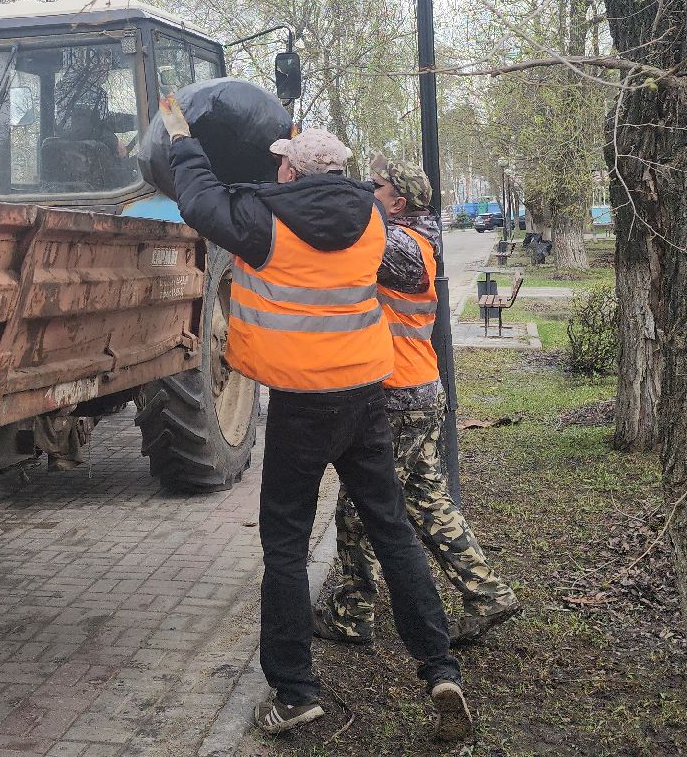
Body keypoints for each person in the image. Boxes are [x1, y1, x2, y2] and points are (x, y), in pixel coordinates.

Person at [155, 98, 472, 742]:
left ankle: (296, 693)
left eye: (283, 166)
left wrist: (184, 140)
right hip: (366, 399)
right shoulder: (375, 220)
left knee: (285, 547)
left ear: (292, 173)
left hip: (300, 406)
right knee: (393, 531)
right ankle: (440, 670)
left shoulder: (262, 224)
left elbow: (199, 200)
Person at [314, 158, 521, 650]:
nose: (366, 192)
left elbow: (343, 230)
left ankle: (352, 613)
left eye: (376, 187)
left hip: (398, 399)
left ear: (399, 203)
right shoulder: (416, 241)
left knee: (357, 508)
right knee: (427, 500)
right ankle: (488, 595)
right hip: (416, 392)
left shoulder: (402, 247)